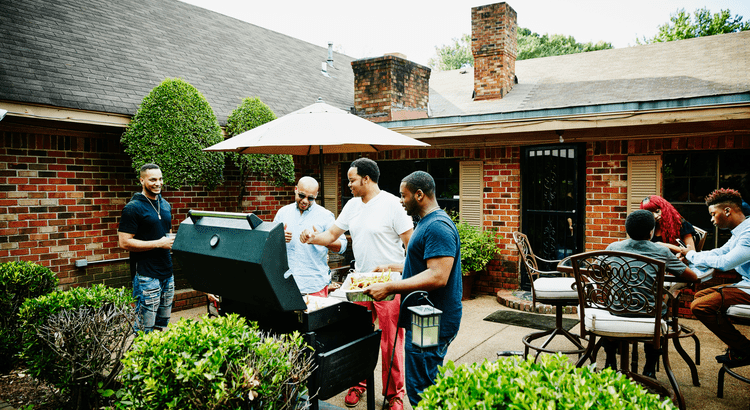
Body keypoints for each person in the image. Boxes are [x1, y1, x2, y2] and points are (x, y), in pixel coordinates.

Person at [300, 158, 413, 410]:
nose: (348, 184)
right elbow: (331, 235)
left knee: (390, 342)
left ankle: (395, 394)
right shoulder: (352, 205)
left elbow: (413, 250)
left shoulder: (394, 205)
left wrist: (393, 269)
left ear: (366, 179)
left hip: (389, 285)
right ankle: (358, 383)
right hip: (360, 282)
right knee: (355, 337)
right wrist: (311, 238)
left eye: (351, 179)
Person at [364, 170, 462, 408]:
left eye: (403, 195)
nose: (400, 200)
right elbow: (423, 265)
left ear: (419, 195)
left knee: (422, 389)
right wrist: (393, 267)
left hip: (431, 321)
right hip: (424, 318)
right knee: (426, 380)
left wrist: (390, 286)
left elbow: (438, 275)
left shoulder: (438, 226)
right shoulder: (427, 223)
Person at [604, 210, 698, 377]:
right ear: (651, 232)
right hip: (648, 313)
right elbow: (692, 277)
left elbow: (598, 271)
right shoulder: (660, 252)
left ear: (627, 230)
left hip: (616, 310)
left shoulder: (613, 247)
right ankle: (649, 370)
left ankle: (610, 362)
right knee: (658, 311)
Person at [684, 188, 750, 367]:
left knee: (700, 306)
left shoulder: (748, 233)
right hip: (745, 284)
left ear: (727, 211)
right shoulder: (740, 232)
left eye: (714, 214)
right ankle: (737, 349)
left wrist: (690, 255)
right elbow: (720, 252)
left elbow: (725, 262)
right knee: (699, 297)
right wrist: (693, 256)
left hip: (749, 288)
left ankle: (745, 349)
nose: (712, 219)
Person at [118, 163, 175, 333]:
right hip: (145, 275)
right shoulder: (132, 208)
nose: (158, 183)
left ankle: (156, 357)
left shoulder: (165, 205)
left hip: (167, 273)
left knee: (161, 325)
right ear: (141, 180)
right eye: (152, 180)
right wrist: (159, 243)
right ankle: (140, 358)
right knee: (144, 328)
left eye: (160, 179)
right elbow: (124, 242)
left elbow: (167, 234)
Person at [273, 176, 347, 296]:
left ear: (316, 195)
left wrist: (320, 239)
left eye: (311, 198)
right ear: (295, 189)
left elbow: (342, 246)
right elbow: (270, 246)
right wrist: (278, 237)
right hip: (287, 282)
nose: (305, 201)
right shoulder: (283, 213)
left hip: (314, 284)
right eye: (302, 195)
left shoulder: (325, 215)